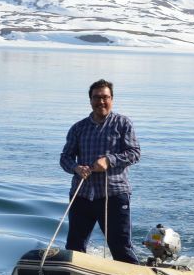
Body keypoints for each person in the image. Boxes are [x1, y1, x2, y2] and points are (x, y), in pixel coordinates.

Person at [60, 79, 141, 264]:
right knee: (74, 247)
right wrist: (76, 168)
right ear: (90, 100)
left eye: (105, 97)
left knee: (120, 247)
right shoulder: (78, 128)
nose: (101, 102)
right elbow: (65, 158)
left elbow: (135, 153)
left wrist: (109, 160)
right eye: (96, 97)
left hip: (114, 194)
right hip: (81, 195)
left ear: (112, 99)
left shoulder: (123, 124)